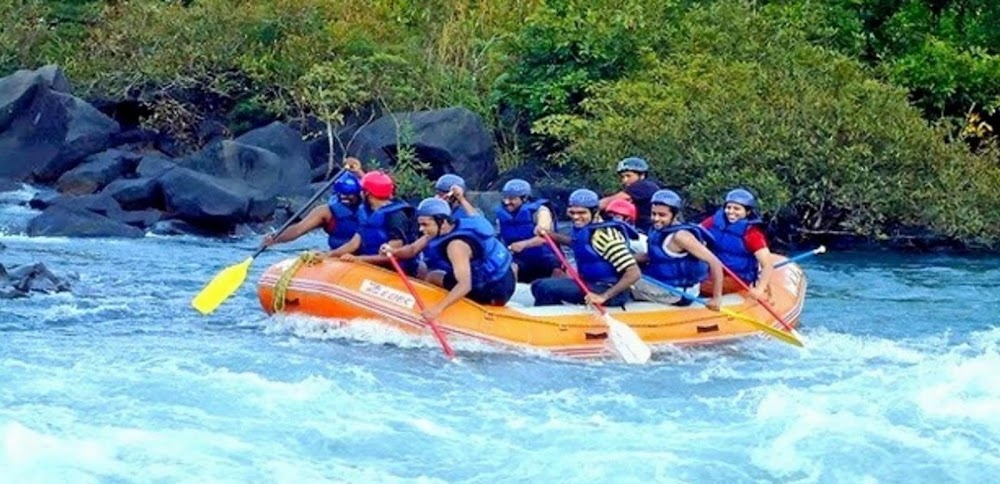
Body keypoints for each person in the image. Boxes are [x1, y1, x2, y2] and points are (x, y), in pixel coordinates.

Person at [381, 198, 516, 319]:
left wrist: (437, 309)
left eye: (425, 224)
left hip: (492, 290)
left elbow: (465, 285)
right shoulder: (452, 226)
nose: (421, 229)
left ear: (443, 222)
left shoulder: (456, 246)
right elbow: (413, 250)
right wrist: (393, 251)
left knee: (433, 277)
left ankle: (442, 308)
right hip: (507, 279)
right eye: (420, 224)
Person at [531, 189, 641, 307]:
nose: (576, 217)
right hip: (591, 284)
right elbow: (575, 243)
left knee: (545, 288)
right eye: (572, 212)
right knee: (537, 284)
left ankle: (551, 320)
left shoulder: (605, 236)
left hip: (609, 291)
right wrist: (548, 234)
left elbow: (634, 272)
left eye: (582, 213)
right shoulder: (585, 229)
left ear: (595, 212)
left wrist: (603, 297)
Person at [631, 189, 724, 310]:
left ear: (674, 215)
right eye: (654, 214)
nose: (656, 219)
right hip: (665, 284)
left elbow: (715, 263)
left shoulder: (681, 236)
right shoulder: (657, 230)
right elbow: (652, 256)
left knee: (625, 283)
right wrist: (624, 259)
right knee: (625, 273)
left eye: (662, 215)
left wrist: (717, 297)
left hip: (679, 294)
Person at [330, 171, 419, 275]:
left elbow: (393, 253)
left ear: (367, 193)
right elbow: (353, 244)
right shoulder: (366, 212)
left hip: (394, 272)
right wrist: (329, 255)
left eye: (362, 190)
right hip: (371, 267)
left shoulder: (396, 215)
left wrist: (358, 259)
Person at [700, 188, 774, 299]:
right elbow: (694, 234)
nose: (731, 212)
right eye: (728, 207)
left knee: (701, 284)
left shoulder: (752, 234)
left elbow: (767, 265)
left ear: (747, 212)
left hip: (736, 278)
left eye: (737, 209)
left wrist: (760, 289)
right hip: (712, 271)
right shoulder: (714, 221)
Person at [261, 174, 363, 250]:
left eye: (350, 194)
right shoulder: (326, 212)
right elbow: (298, 229)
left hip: (365, 258)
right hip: (338, 255)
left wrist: (359, 171)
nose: (344, 197)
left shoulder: (371, 207)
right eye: (342, 194)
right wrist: (277, 238)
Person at [495, 179, 561, 283]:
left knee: (556, 270)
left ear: (524, 198)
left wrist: (523, 245)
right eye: (505, 198)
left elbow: (544, 237)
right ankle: (511, 293)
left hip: (544, 258)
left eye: (512, 198)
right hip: (519, 259)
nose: (507, 202)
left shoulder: (541, 211)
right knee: (510, 266)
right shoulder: (501, 214)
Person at [598, 157, 660, 232]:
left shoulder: (643, 186)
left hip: (645, 231)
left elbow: (610, 201)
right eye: (622, 177)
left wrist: (590, 207)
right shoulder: (648, 186)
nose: (625, 180)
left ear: (642, 175)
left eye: (628, 176)